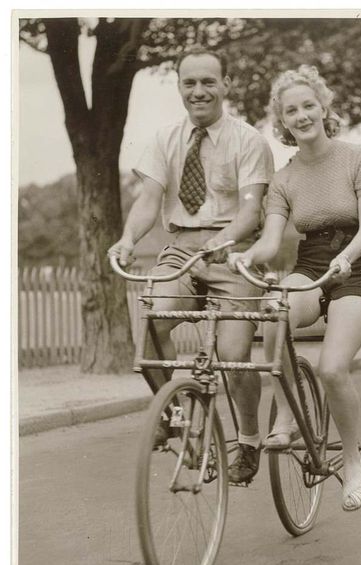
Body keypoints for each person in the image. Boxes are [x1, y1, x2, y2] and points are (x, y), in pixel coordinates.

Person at [108, 46, 274, 484]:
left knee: (234, 355)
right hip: (180, 250)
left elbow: (251, 210)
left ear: (226, 85)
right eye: (189, 83)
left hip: (232, 253)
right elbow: (148, 200)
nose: (198, 91)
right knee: (149, 328)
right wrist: (127, 240)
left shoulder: (249, 141)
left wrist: (223, 242)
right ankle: (178, 417)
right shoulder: (165, 139)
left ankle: (250, 439)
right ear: (180, 87)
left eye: (208, 82)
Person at [228, 65, 361, 511]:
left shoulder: (359, 157)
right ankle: (288, 414)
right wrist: (248, 256)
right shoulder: (284, 178)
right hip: (313, 262)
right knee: (273, 308)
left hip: (359, 263)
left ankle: (353, 461)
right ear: (282, 120)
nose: (301, 116)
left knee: (333, 368)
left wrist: (347, 259)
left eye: (308, 106)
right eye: (291, 110)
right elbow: (271, 240)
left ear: (324, 108)